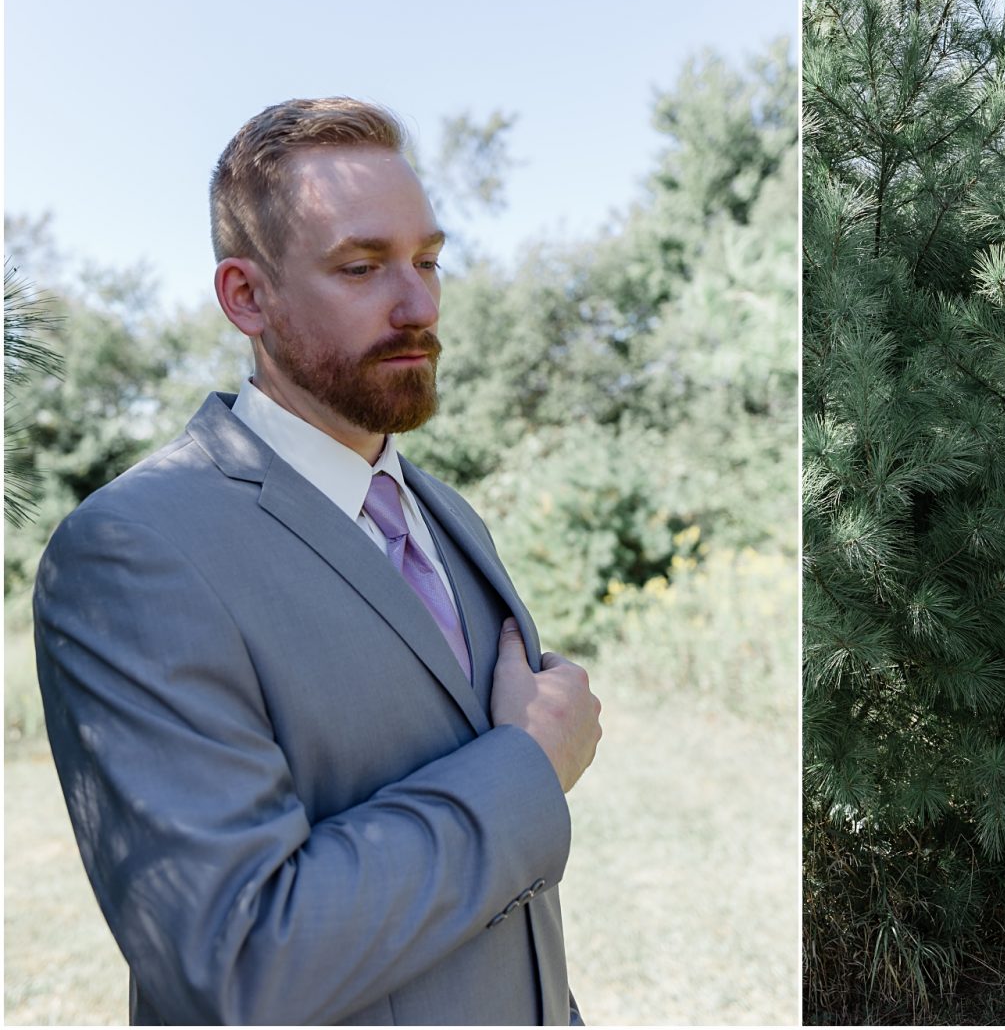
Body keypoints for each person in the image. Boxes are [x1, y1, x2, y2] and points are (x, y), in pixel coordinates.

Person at [33, 97, 604, 1024]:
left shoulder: (448, 515)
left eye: (429, 260)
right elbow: (238, 961)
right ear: (246, 297)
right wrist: (526, 764)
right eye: (361, 266)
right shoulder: (131, 551)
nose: (418, 303)